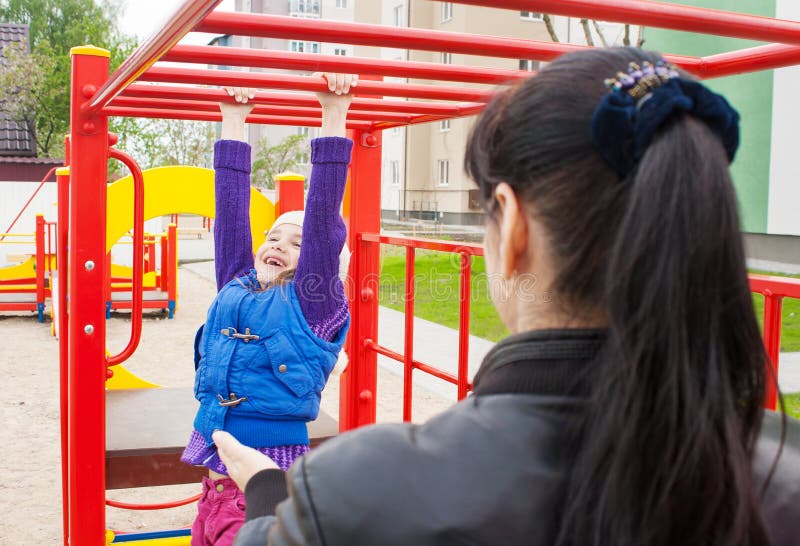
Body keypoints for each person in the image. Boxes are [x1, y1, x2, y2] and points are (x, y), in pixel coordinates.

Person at [214, 48, 800, 546]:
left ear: (513, 229)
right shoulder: (782, 469)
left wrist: (269, 504)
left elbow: (317, 234)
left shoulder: (356, 492)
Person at [181, 73, 357, 546]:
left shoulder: (313, 301)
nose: (278, 244)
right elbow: (230, 216)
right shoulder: (236, 286)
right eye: (273, 236)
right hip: (215, 483)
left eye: (295, 243)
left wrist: (332, 114)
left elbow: (323, 223)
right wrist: (234, 120)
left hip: (259, 489)